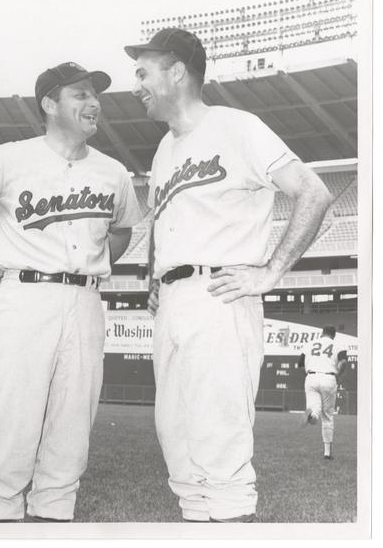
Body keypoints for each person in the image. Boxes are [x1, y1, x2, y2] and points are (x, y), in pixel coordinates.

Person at [124, 28, 333, 523]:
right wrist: (154, 279)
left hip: (221, 295)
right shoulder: (162, 151)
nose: (137, 85)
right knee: (178, 446)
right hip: (174, 300)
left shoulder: (237, 127)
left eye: (143, 72)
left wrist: (270, 272)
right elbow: (161, 221)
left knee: (220, 449)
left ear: (177, 71)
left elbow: (314, 192)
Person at [0, 62, 142, 522]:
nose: (93, 103)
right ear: (49, 103)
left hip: (84, 300)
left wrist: (94, 265)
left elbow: (122, 229)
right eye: (80, 94)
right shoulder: (9, 157)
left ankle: (53, 517)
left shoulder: (113, 171)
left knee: (72, 427)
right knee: (13, 425)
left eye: (95, 95)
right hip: (24, 295)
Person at [298, 325, 347, 460]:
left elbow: (301, 364)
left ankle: (311, 415)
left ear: (322, 333)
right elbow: (343, 362)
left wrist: (308, 377)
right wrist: (338, 375)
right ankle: (327, 452)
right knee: (327, 416)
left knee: (315, 411)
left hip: (311, 377)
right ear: (333, 335)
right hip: (328, 377)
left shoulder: (309, 344)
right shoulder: (338, 344)